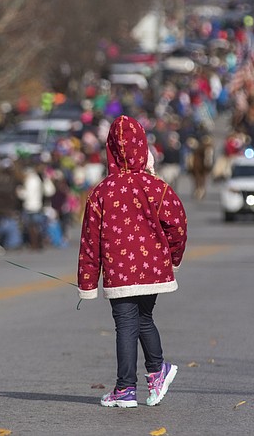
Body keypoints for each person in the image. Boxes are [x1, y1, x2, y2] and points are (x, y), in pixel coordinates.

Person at [77, 115, 187, 408]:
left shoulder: (101, 192)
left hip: (120, 273)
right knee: (143, 319)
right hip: (152, 269)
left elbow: (90, 241)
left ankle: (126, 388)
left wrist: (87, 282)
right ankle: (157, 370)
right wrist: (172, 258)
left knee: (126, 323)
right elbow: (177, 223)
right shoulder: (156, 187)